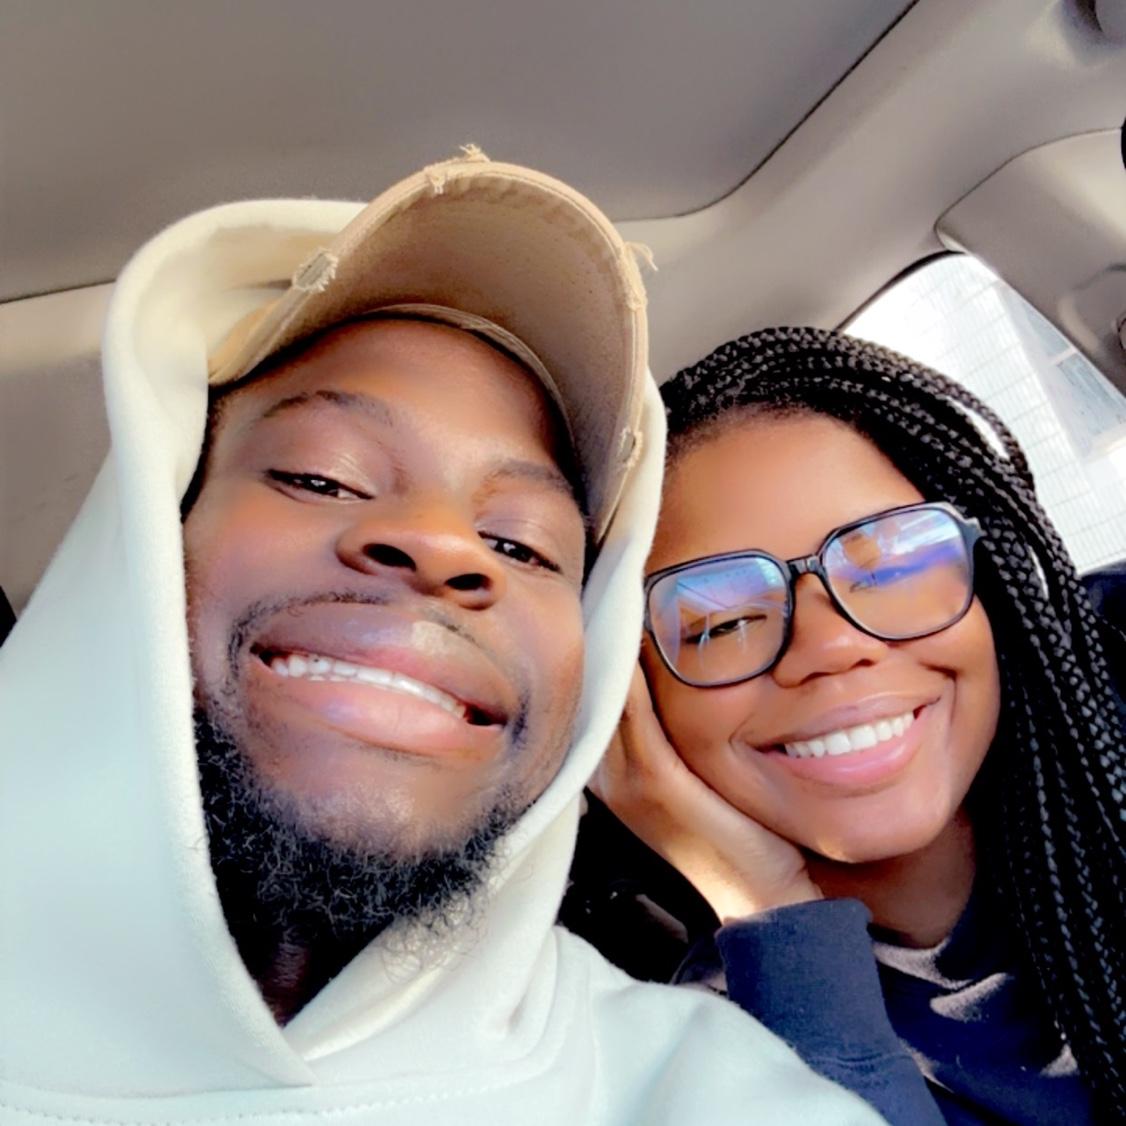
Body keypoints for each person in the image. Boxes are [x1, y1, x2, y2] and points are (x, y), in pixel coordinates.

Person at [0, 158, 883, 1125]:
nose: (444, 546)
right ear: (138, 545)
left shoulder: (688, 1082)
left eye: (522, 544)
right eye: (322, 477)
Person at [567, 327, 1126, 1124]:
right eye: (723, 622)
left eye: (895, 564)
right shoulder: (705, 1050)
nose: (831, 645)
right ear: (632, 698)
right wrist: (768, 908)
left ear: (991, 578)